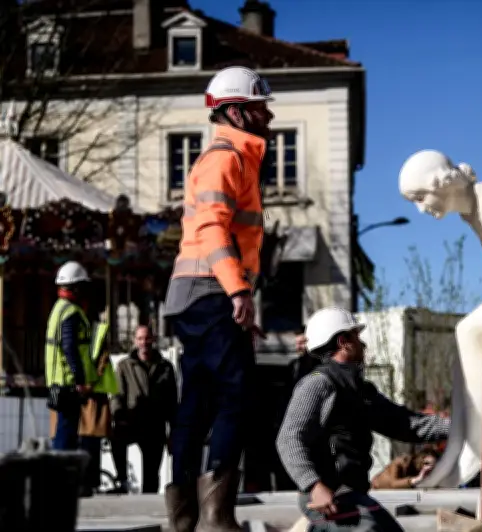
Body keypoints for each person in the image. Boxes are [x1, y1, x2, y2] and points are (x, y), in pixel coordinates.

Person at [162, 65, 273, 532]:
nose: (267, 114)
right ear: (234, 112)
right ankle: (215, 515)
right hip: (210, 290)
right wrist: (238, 290)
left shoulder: (235, 157)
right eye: (257, 107)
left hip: (196, 294)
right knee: (237, 395)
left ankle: (183, 515)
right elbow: (211, 227)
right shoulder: (226, 157)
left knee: (199, 400)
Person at [277, 307, 450, 532]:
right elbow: (289, 439)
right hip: (329, 497)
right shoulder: (318, 384)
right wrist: (314, 485)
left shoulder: (360, 391)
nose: (363, 344)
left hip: (350, 495)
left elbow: (405, 424)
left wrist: (458, 427)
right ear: (343, 341)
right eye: (357, 336)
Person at [45, 261, 117, 497]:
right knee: (66, 436)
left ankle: (59, 483)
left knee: (64, 435)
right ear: (74, 288)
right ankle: (60, 485)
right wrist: (79, 381)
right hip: (68, 384)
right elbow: (70, 349)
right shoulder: (71, 313)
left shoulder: (57, 309)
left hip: (57, 382)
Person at [110, 325, 178, 494]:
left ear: (153, 340)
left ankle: (149, 501)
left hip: (155, 424)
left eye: (147, 338)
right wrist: (118, 415)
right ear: (135, 341)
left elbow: (172, 401)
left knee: (152, 474)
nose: (144, 343)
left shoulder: (165, 367)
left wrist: (174, 431)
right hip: (132, 420)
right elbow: (117, 394)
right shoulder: (124, 366)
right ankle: (122, 480)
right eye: (140, 339)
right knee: (116, 439)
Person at [371, 447, 439, 489]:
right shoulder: (399, 463)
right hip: (376, 486)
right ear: (420, 460)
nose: (428, 468)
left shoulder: (420, 471)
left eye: (432, 466)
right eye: (426, 463)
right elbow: (393, 483)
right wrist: (417, 479)